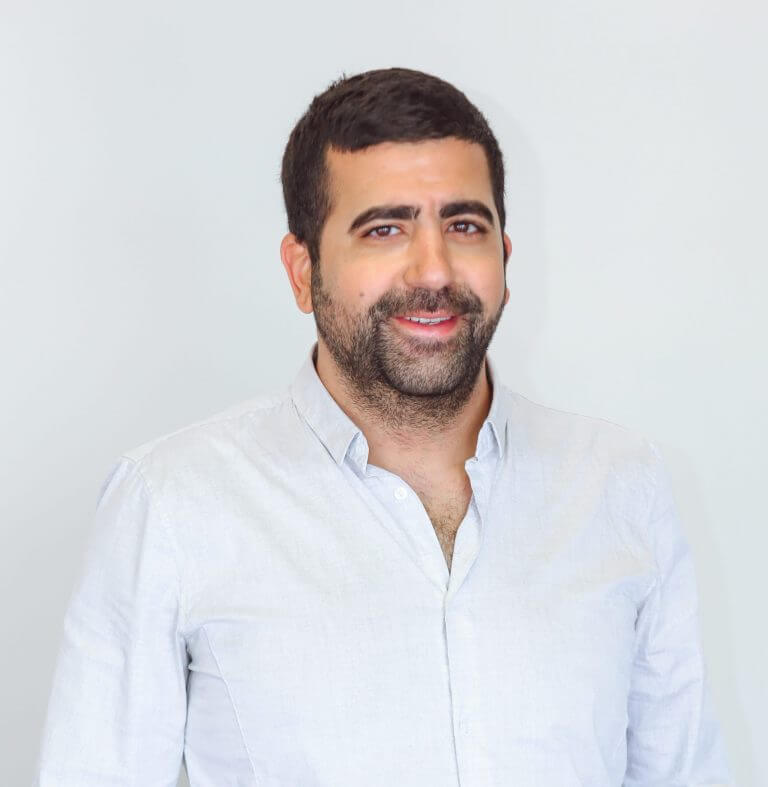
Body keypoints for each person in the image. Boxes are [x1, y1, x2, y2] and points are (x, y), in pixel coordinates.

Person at [35, 67, 732, 786]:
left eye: (464, 226)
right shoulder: (173, 504)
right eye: (385, 229)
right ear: (302, 271)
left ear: (504, 257)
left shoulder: (620, 485)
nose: (433, 271)